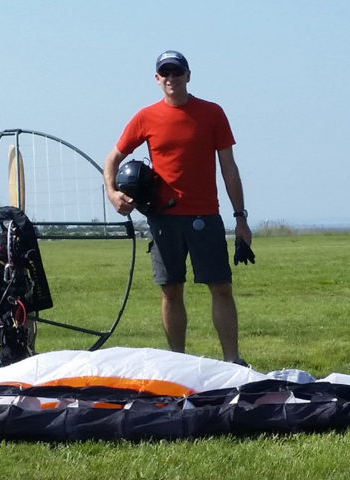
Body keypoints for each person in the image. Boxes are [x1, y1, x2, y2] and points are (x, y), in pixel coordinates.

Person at [103, 50, 251, 365]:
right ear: (157, 79)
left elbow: (229, 168)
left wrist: (240, 218)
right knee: (170, 290)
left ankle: (233, 361)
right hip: (163, 218)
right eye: (165, 73)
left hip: (205, 215)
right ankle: (178, 363)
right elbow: (112, 159)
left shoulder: (212, 113)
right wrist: (113, 193)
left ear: (188, 76)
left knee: (221, 287)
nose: (172, 78)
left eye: (177, 72)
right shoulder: (145, 117)